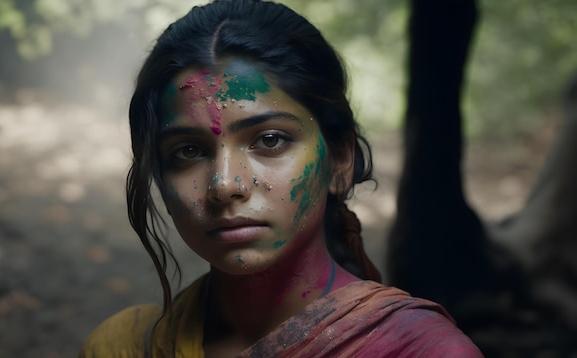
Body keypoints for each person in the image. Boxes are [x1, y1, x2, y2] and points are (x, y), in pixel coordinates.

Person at [79, 0, 483, 356]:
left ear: (340, 161)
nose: (224, 185)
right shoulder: (123, 347)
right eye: (188, 151)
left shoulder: (422, 351)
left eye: (269, 140)